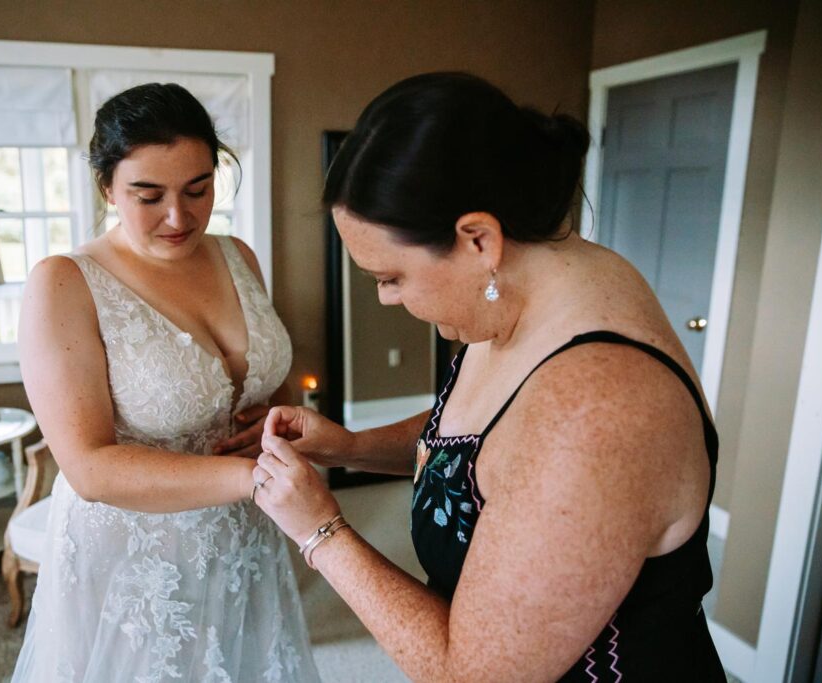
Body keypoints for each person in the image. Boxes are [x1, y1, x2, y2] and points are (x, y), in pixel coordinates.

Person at [249, 72, 726, 682]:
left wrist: (323, 530)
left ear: (478, 240)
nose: (387, 299)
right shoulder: (531, 290)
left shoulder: (596, 410)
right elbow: (490, 441)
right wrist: (349, 448)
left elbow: (473, 676)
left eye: (390, 277)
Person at [12, 83, 320, 683]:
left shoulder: (239, 255)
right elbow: (90, 468)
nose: (180, 218)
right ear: (107, 186)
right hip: (140, 559)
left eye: (199, 190)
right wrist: (256, 479)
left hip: (245, 536)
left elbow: (260, 385)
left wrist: (275, 424)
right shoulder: (64, 283)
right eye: (148, 195)